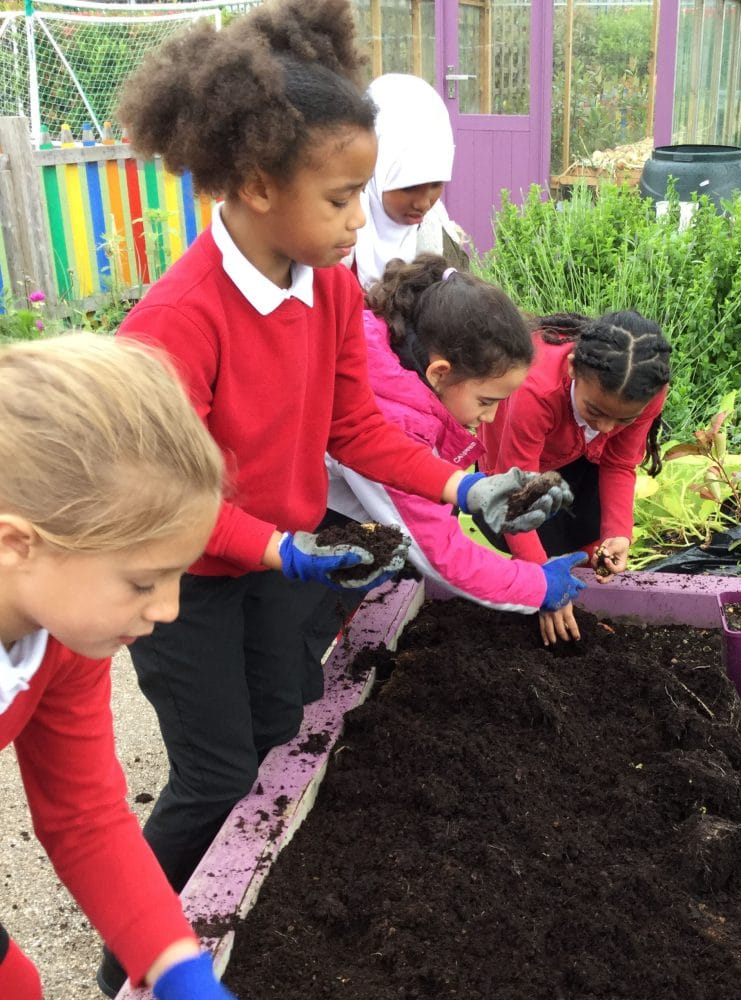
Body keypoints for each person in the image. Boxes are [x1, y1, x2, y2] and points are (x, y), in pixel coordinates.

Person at [97, 1, 571, 993]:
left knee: (282, 727)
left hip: (279, 557)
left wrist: (465, 484)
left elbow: (350, 427)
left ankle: (226, 911)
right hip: (182, 577)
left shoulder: (328, 292)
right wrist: (277, 551)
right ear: (260, 185)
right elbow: (158, 501)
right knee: (216, 771)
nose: (363, 222)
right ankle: (132, 958)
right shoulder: (178, 322)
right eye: (344, 197)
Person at [0, 333, 232, 1000]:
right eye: (142, 582)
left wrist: (177, 968)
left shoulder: (64, 637)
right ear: (18, 543)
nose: (169, 609)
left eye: (178, 576)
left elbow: (85, 816)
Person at [326, 255, 588, 645]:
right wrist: (537, 586)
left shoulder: (389, 349)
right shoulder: (393, 418)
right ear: (439, 372)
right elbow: (439, 553)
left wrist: (471, 491)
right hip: (276, 543)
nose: (490, 417)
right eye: (486, 401)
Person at [476, 310, 672, 639]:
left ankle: (580, 605)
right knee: (538, 544)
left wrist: (619, 534)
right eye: (595, 411)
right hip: (511, 474)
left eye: (622, 420)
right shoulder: (536, 390)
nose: (607, 428)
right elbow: (514, 494)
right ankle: (535, 596)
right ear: (571, 369)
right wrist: (542, 581)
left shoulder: (645, 393)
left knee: (590, 533)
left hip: (579, 457)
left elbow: (619, 463)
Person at [349, 72, 468, 289]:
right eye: (409, 187)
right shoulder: (339, 241)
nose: (423, 204)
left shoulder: (437, 235)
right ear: (375, 171)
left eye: (436, 185)